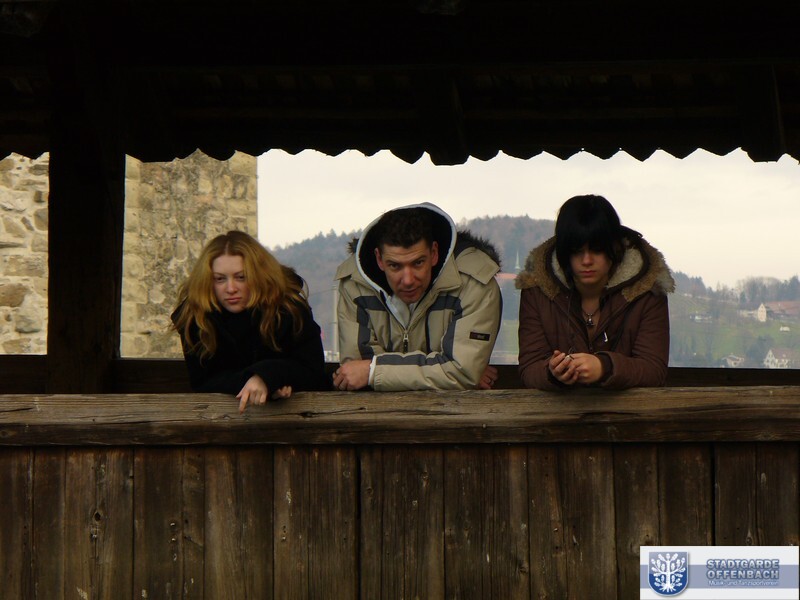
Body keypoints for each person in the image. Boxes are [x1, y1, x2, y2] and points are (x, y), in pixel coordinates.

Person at [333, 202, 503, 391]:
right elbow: (355, 372)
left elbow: (462, 372)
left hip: (455, 410)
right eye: (395, 266)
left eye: (418, 263)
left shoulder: (473, 283)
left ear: (434, 253)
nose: (408, 280)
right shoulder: (356, 283)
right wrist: (445, 371)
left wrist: (374, 371)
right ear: (379, 259)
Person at [517, 194, 674, 390]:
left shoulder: (648, 289)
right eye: (577, 251)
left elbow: (654, 370)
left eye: (597, 250)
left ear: (615, 249)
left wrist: (604, 367)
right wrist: (552, 372)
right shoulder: (536, 290)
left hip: (629, 410)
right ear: (564, 252)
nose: (587, 261)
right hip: (557, 409)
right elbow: (529, 369)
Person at [171, 231, 328, 413]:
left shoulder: (289, 309)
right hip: (222, 418)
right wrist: (256, 379)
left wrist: (270, 376)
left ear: (258, 275)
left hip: (297, 417)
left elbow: (312, 371)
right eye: (220, 279)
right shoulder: (195, 317)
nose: (231, 288)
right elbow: (204, 381)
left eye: (241, 277)